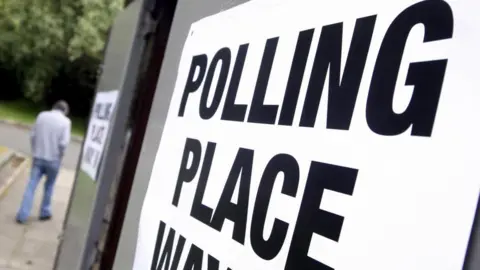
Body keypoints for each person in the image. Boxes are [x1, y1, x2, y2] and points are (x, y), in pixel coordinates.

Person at [16, 100, 71, 224]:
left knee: (31, 186)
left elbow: (33, 135)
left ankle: (22, 214)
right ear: (65, 111)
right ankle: (44, 212)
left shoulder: (42, 115)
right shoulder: (66, 122)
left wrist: (35, 150)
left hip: (38, 157)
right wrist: (60, 157)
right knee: (49, 186)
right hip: (53, 160)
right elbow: (63, 143)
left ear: (53, 107)